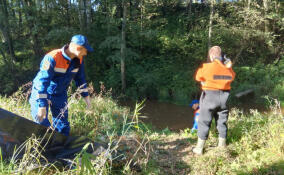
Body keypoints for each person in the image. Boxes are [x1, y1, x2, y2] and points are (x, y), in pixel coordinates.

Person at [29, 34, 93, 136]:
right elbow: (42, 82)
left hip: (60, 93)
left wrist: (87, 99)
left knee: (62, 125)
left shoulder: (78, 61)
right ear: (78, 48)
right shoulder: (52, 58)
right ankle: (44, 147)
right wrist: (42, 104)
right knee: (41, 122)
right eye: (85, 50)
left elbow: (80, 80)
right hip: (42, 92)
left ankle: (61, 148)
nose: (85, 53)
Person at [192, 46, 235, 155]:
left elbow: (198, 76)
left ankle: (199, 148)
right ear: (221, 56)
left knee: (204, 121)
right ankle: (222, 146)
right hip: (224, 99)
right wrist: (227, 66)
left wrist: (204, 82)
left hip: (209, 98)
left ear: (211, 56)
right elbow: (232, 77)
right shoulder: (228, 69)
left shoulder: (207, 67)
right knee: (222, 121)